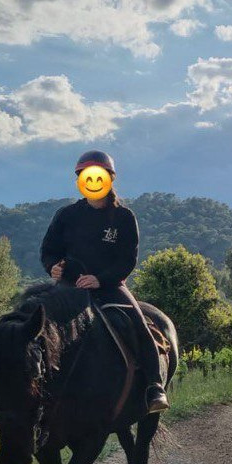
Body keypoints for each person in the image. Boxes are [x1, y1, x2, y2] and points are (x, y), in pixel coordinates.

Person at [39, 150, 169, 414]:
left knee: (139, 323)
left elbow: (127, 260)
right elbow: (49, 249)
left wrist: (100, 279)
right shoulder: (66, 215)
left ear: (110, 178)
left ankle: (155, 386)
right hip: (69, 288)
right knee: (39, 325)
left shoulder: (123, 218)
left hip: (110, 286)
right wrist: (52, 267)